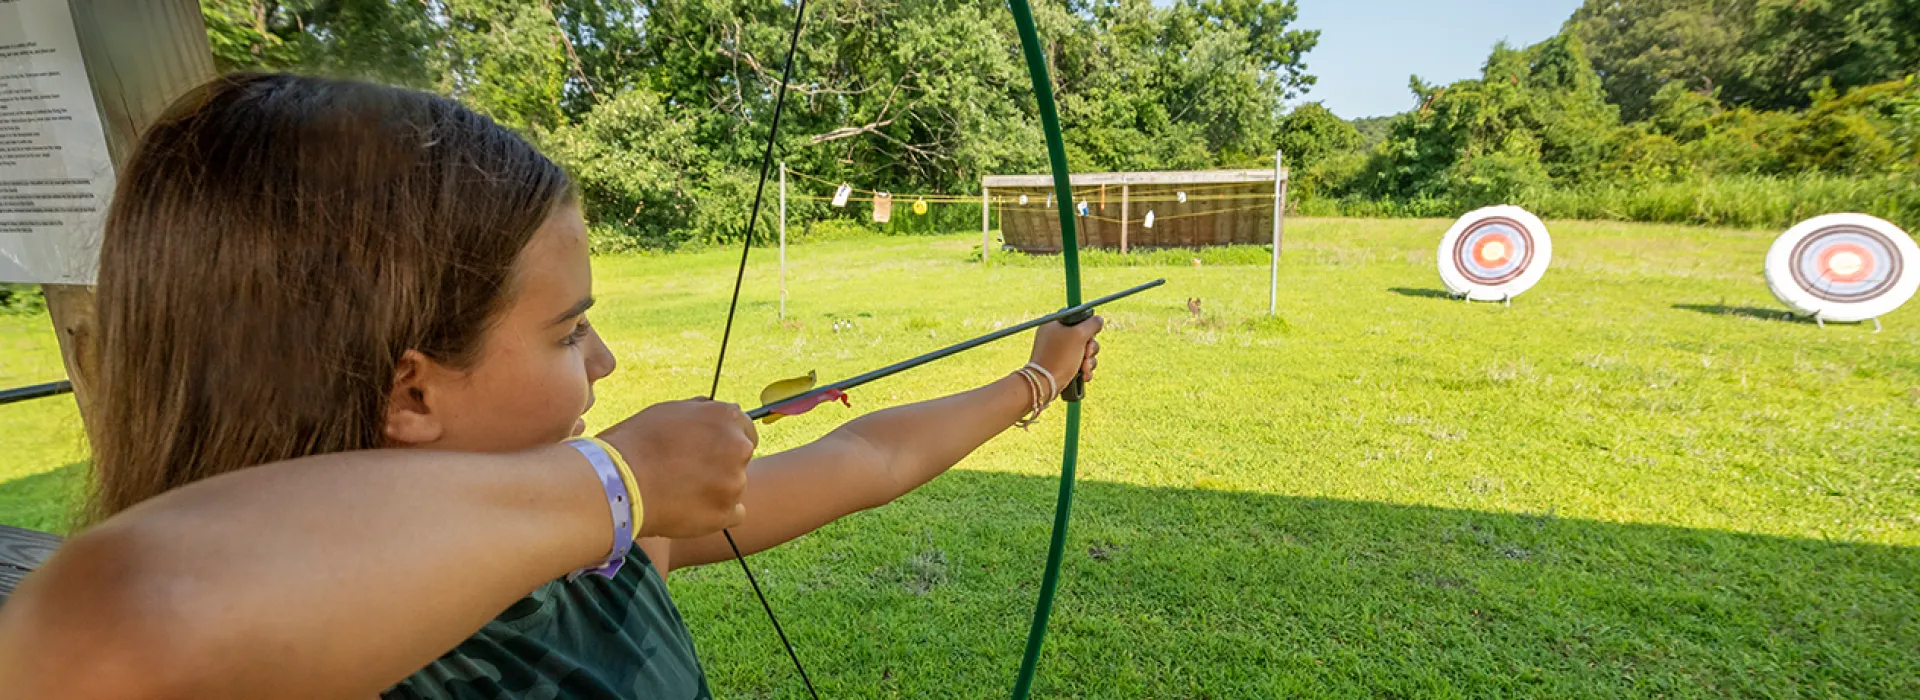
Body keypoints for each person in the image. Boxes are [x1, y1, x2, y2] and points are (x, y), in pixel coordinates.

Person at [0, 73, 1103, 699]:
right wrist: (612, 480)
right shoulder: (270, 662)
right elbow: (124, 627)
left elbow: (862, 458)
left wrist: (1034, 379)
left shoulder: (593, 558)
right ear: (413, 392)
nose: (608, 365)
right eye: (571, 331)